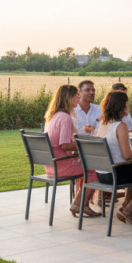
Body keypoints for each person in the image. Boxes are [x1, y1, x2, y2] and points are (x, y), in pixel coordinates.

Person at [43, 84, 100, 218]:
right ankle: (80, 204)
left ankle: (81, 203)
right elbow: (64, 145)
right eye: (76, 96)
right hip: (61, 165)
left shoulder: (55, 115)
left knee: (87, 166)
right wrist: (83, 145)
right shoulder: (65, 117)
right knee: (94, 168)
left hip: (51, 166)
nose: (79, 99)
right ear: (68, 99)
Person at [95, 90, 132, 225]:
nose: (129, 106)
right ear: (122, 105)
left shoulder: (103, 123)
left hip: (102, 173)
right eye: (127, 104)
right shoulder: (121, 126)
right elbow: (127, 155)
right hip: (115, 174)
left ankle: (126, 209)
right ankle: (128, 209)